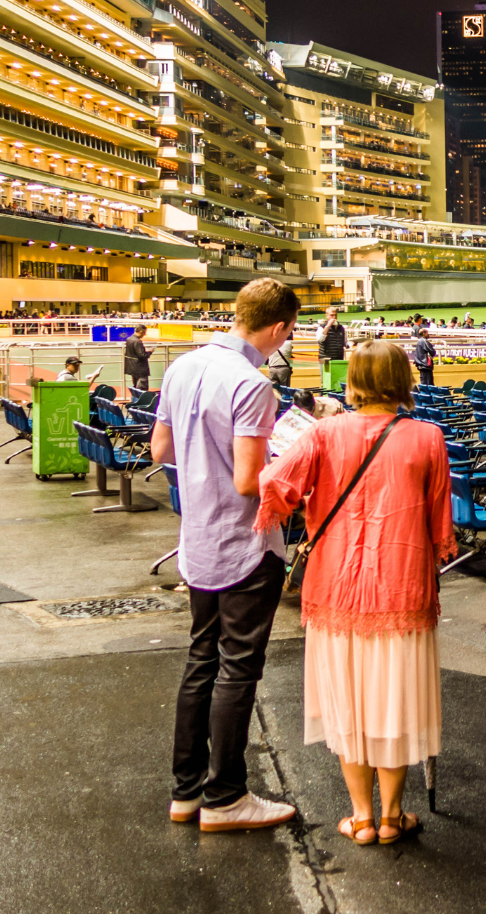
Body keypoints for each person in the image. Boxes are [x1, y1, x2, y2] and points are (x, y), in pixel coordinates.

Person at [255, 340, 452, 846]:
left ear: (355, 380)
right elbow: (440, 526)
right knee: (394, 704)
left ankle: (361, 817)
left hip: (336, 590)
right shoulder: (428, 438)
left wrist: (306, 508)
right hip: (403, 590)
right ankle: (391, 817)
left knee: (350, 703)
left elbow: (274, 483)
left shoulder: (323, 433)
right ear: (404, 379)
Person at [150, 277, 302, 832]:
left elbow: (160, 449)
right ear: (280, 328)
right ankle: (227, 797)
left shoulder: (181, 367)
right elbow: (247, 481)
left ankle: (186, 794)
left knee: (201, 662)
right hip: (244, 543)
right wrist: (291, 460)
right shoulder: (253, 384)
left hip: (198, 539)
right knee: (238, 670)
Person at [124, 329, 153, 398]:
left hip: (132, 367)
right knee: (142, 389)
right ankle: (141, 404)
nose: (144, 334)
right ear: (141, 331)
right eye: (144, 332)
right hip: (140, 368)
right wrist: (150, 352)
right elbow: (142, 355)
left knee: (135, 387)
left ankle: (135, 402)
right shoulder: (137, 341)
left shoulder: (129, 339)